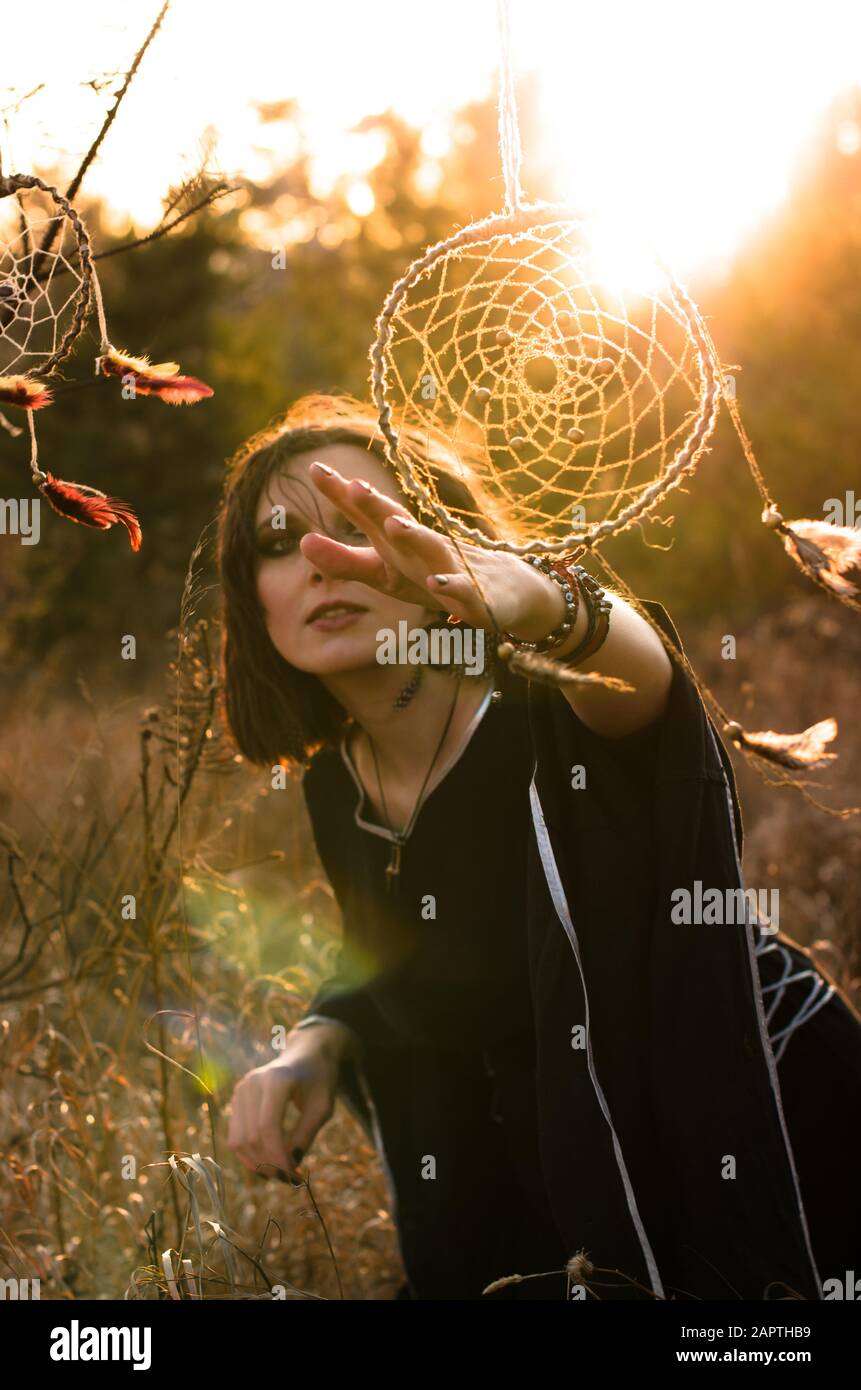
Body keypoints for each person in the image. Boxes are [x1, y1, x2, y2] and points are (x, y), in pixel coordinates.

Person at [221, 392, 861, 1301]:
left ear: (443, 546)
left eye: (364, 525)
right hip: (562, 1172)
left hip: (769, 1112)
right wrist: (315, 1042)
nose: (324, 563)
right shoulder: (336, 780)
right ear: (250, 592)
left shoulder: (546, 713)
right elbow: (394, 953)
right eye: (281, 542)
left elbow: (641, 685)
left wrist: (551, 605)